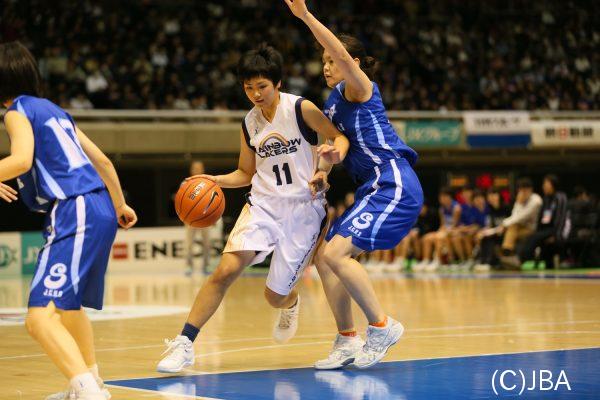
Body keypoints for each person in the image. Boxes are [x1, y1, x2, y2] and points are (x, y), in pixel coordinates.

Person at [156, 45, 349, 373]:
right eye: (249, 87)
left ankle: (290, 302)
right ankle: (185, 343)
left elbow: (338, 137)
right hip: (263, 206)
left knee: (274, 297)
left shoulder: (300, 108)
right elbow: (246, 173)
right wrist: (215, 180)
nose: (256, 94)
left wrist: (325, 168)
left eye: (262, 86)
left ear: (278, 83)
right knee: (224, 271)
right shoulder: (249, 123)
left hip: (303, 210)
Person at [285, 0, 423, 370]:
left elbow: (344, 59)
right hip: (371, 188)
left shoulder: (361, 87)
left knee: (335, 255)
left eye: (332, 60)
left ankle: (382, 326)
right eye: (324, 61)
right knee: (325, 259)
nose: (327, 66)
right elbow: (335, 143)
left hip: (393, 182)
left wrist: (305, 16)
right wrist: (324, 171)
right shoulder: (333, 102)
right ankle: (347, 339)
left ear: (352, 63)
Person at [0, 41, 137, 400]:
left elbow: (21, 160)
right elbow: (103, 161)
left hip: (75, 208)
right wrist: (120, 205)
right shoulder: (55, 111)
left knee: (38, 318)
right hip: (100, 207)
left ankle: (87, 392)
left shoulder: (16, 111)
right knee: (68, 308)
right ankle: (93, 383)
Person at [504, 175, 568, 269]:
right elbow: (541, 219)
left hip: (554, 229)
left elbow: (561, 218)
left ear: (553, 184)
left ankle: (520, 260)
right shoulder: (546, 199)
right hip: (544, 230)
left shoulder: (560, 197)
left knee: (534, 237)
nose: (544, 186)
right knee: (533, 236)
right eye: (544, 184)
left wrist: (557, 235)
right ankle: (510, 256)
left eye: (546, 184)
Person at [498, 178, 543, 266]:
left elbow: (521, 217)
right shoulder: (520, 199)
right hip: (520, 227)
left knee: (511, 228)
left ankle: (507, 254)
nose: (522, 193)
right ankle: (509, 255)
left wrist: (504, 224)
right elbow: (514, 215)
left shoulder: (536, 200)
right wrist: (518, 203)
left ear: (530, 190)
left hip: (532, 229)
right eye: (520, 190)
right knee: (511, 228)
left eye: (524, 190)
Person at [414, 187, 460, 272]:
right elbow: (443, 224)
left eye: (443, 197)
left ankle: (437, 261)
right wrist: (440, 231)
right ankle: (426, 260)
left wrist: (442, 232)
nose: (441, 199)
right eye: (440, 197)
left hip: (455, 231)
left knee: (439, 237)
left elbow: (454, 225)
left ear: (449, 197)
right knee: (427, 237)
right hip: (445, 231)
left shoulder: (456, 208)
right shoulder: (442, 209)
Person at [184, 160, 214, 274]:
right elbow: (181, 202)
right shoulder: (186, 184)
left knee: (207, 243)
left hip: (205, 218)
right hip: (190, 219)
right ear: (191, 170)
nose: (197, 170)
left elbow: (213, 200)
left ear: (203, 169)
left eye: (199, 168)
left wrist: (212, 216)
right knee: (189, 243)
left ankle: (207, 265)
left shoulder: (208, 183)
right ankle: (188, 266)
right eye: (195, 168)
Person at [473, 188, 511, 271]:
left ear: (499, 196)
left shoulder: (507, 207)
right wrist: (482, 232)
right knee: (484, 237)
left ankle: (488, 262)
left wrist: (499, 229)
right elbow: (489, 225)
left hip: (506, 233)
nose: (491, 197)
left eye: (494, 194)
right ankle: (483, 262)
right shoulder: (491, 210)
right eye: (489, 196)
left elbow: (510, 223)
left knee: (489, 238)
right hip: (495, 233)